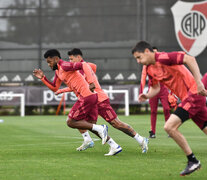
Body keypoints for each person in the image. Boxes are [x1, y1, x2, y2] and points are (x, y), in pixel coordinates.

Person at [132, 41, 207, 176]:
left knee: (169, 127)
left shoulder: (164, 57)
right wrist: (147, 95)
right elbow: (156, 88)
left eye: (139, 57)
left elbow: (190, 59)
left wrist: (199, 82)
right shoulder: (150, 69)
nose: (138, 61)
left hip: (194, 94)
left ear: (147, 52)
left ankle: (192, 161)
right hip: (188, 99)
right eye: (136, 59)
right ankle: (193, 161)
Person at [56, 48, 149, 155]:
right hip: (92, 100)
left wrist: (62, 90)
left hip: (100, 99)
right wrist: (62, 90)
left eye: (72, 59)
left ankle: (140, 139)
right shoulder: (80, 68)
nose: (70, 62)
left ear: (79, 57)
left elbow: (89, 72)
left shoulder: (82, 68)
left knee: (115, 123)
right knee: (87, 124)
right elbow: (91, 69)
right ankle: (110, 145)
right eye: (69, 60)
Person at [33, 49, 110, 151]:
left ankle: (101, 129)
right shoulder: (58, 71)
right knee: (87, 123)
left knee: (71, 121)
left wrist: (91, 81)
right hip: (88, 96)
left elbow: (84, 65)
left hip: (87, 96)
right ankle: (112, 145)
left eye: (49, 62)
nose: (48, 65)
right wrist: (43, 78)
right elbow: (55, 87)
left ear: (56, 59)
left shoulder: (65, 65)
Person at [139, 46, 171, 138]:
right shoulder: (146, 64)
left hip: (163, 89)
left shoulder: (162, 62)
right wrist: (141, 92)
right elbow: (143, 77)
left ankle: (169, 129)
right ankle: (152, 132)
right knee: (153, 111)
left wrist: (172, 92)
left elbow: (169, 77)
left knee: (166, 109)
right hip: (153, 89)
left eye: (156, 53)